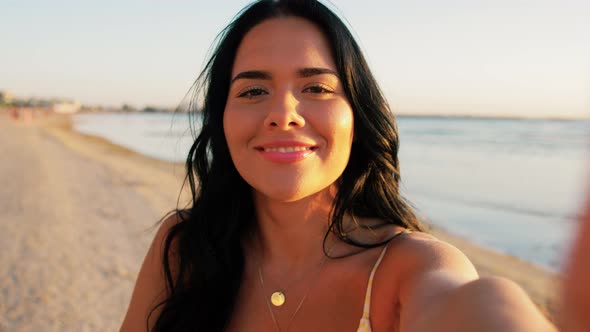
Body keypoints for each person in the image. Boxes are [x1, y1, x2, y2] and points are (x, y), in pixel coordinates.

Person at [120, 1, 567, 331]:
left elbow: (478, 304)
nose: (284, 113)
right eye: (253, 92)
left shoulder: (407, 269)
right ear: (222, 120)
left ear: (358, 117)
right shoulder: (185, 248)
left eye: (316, 88)